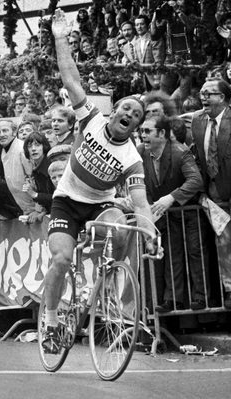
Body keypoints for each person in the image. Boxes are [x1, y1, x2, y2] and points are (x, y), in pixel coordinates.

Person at [42, 9, 161, 353]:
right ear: (114, 111)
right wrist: (60, 37)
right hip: (66, 200)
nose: (129, 115)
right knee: (61, 260)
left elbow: (140, 204)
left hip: (99, 205)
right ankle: (51, 324)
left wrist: (151, 234)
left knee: (123, 226)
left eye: (136, 116)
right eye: (125, 109)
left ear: (136, 127)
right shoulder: (91, 118)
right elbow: (69, 78)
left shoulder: (132, 158)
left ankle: (106, 282)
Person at [138, 115, 209, 312]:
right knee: (171, 254)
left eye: (147, 131)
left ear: (162, 133)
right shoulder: (141, 151)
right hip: (165, 215)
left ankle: (202, 298)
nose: (142, 135)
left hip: (188, 211)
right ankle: (172, 300)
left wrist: (171, 197)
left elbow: (195, 181)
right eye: (142, 131)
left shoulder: (180, 152)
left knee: (196, 252)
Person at [191, 77, 231, 309]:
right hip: (215, 194)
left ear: (222, 98)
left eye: (209, 93)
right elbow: (196, 155)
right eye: (202, 93)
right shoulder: (197, 120)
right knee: (223, 243)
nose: (203, 97)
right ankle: (229, 291)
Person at [22, 132, 55, 215]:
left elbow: (58, 198)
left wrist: (34, 194)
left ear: (44, 146)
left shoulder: (51, 167)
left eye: (37, 145)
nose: (33, 149)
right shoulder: (36, 169)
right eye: (29, 146)